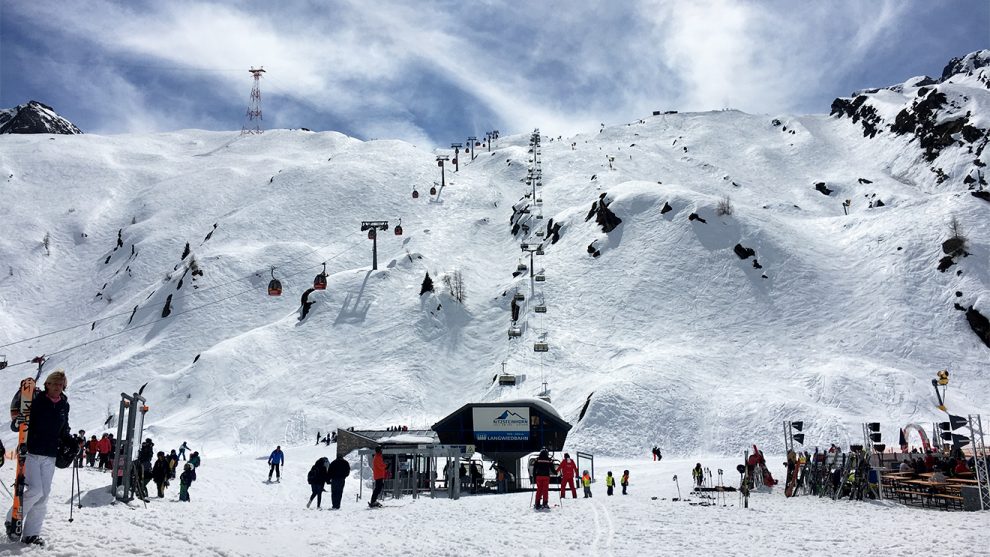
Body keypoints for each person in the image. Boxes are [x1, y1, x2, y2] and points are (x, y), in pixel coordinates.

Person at [5, 369, 73, 547]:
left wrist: (72, 442)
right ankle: (12, 519)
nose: (58, 387)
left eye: (61, 384)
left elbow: (64, 429)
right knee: (36, 490)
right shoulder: (36, 401)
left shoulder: (64, 405)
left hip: (50, 455)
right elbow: (20, 423)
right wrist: (16, 423)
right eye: (54, 383)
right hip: (31, 452)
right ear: (47, 385)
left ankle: (31, 534)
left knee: (44, 497)